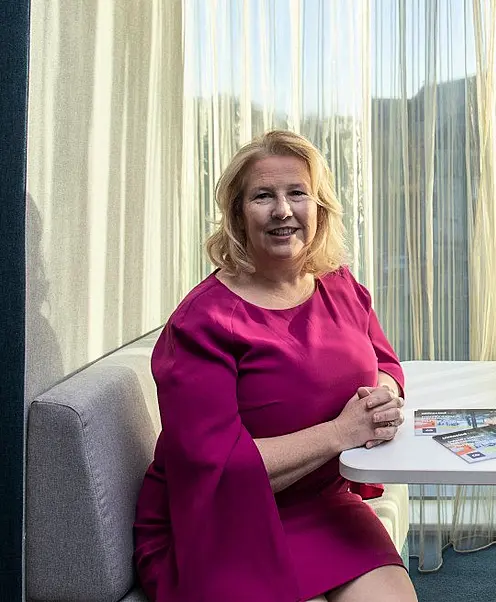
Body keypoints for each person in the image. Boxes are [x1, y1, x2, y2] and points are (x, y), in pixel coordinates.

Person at [132, 130, 418, 602]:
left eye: (297, 193)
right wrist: (341, 433)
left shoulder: (339, 284)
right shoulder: (201, 323)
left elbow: (384, 362)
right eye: (264, 196)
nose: (283, 210)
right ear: (239, 215)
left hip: (322, 504)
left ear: (318, 206)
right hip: (220, 520)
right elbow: (218, 469)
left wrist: (383, 395)